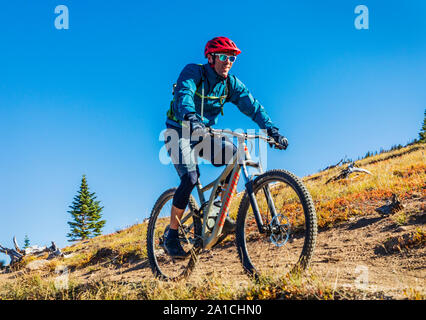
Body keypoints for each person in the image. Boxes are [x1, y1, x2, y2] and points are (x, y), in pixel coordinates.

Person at [163, 36, 288, 258]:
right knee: (190, 178)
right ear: (210, 58)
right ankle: (171, 236)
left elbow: (253, 106)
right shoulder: (194, 72)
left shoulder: (230, 84)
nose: (228, 62)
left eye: (232, 58)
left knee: (233, 155)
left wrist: (272, 130)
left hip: (205, 133)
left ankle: (217, 210)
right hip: (179, 130)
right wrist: (191, 117)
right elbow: (184, 96)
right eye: (223, 56)